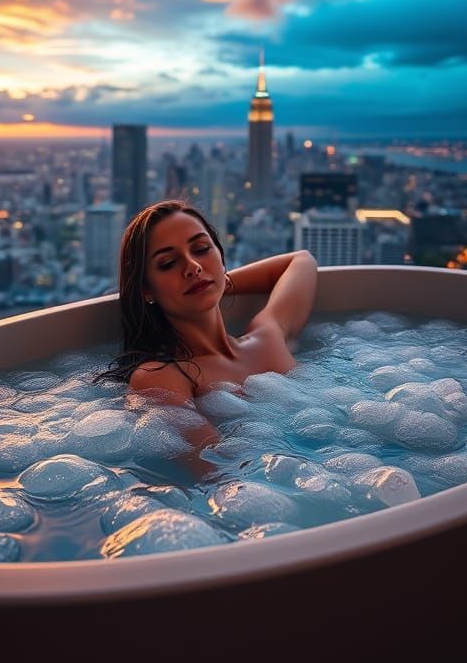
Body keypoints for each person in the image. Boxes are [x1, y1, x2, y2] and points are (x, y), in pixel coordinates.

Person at [95, 199, 318, 476]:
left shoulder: (268, 334)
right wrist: (211, 282)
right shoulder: (161, 376)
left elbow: (301, 261)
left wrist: (219, 281)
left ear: (221, 257)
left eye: (201, 250)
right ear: (146, 290)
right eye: (168, 263)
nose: (192, 267)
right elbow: (222, 473)